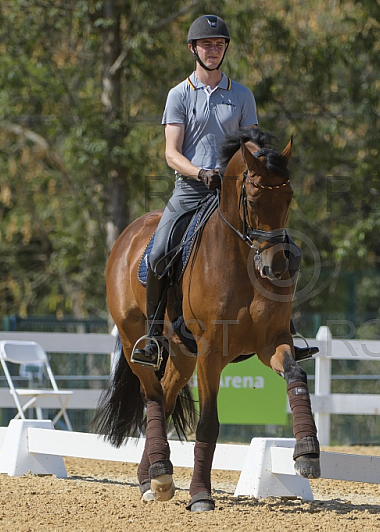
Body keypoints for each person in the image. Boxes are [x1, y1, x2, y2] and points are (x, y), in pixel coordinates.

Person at [132, 14, 317, 366]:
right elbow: (171, 152)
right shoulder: (179, 95)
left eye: (219, 45)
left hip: (235, 194)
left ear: (225, 50)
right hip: (190, 190)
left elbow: (253, 146)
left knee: (284, 248)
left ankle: (285, 328)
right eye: (207, 45)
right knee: (158, 253)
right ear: (193, 49)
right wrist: (200, 172)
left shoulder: (243, 95)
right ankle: (153, 337)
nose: (213, 51)